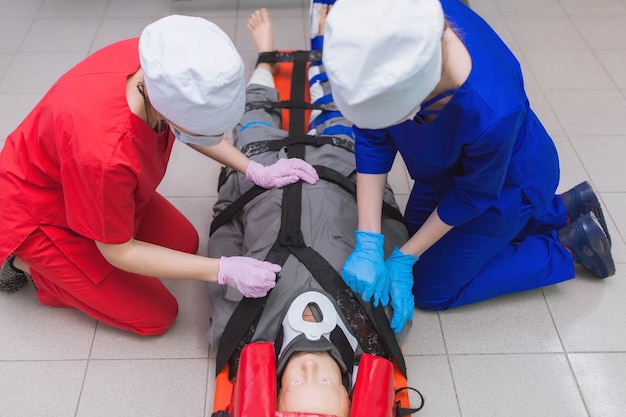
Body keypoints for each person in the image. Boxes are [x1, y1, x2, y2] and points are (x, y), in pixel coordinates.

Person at [0, 14, 320, 336]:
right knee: (156, 316)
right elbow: (118, 250)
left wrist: (255, 169)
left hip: (85, 183)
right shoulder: (106, 155)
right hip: (37, 208)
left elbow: (194, 129)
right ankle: (24, 264)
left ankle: (85, 243)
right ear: (170, 113)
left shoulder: (157, 64)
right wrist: (223, 270)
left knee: (186, 243)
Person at [322, 0, 616, 331]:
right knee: (414, 234)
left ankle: (568, 243)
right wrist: (368, 241)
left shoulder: (492, 111)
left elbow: (471, 194)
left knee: (431, 287)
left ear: (417, 100)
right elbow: (374, 138)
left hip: (507, 185)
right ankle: (562, 208)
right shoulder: (413, 20)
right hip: (446, 168)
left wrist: (404, 259)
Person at [207, 6, 410, 417]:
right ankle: (322, 48)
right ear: (351, 391)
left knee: (253, 115)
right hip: (341, 170)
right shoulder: (374, 326)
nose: (312, 367)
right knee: (339, 117)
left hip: (261, 175)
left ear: (276, 397)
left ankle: (265, 56)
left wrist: (234, 189)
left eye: (298, 382)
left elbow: (222, 246)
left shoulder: (242, 330)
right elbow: (391, 237)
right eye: (327, 382)